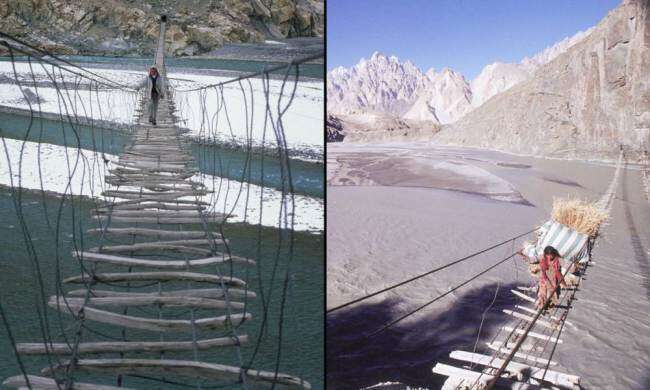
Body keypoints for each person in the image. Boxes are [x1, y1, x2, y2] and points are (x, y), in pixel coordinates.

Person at [536, 246, 567, 310]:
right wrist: (525, 256)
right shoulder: (542, 258)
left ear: (554, 254)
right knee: (542, 292)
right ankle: (541, 303)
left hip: (552, 278)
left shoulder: (558, 259)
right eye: (548, 255)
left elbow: (566, 264)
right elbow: (534, 258)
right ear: (545, 254)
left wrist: (573, 267)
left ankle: (547, 303)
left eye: (551, 255)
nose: (549, 257)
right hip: (544, 278)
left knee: (550, 293)